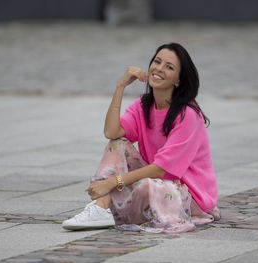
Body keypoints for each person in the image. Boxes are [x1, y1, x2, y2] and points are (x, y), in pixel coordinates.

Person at [62, 43, 220, 233]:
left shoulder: (188, 115)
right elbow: (112, 133)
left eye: (169, 67)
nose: (159, 68)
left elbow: (161, 169)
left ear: (178, 80)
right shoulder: (143, 106)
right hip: (158, 182)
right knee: (117, 144)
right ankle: (101, 207)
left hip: (188, 196)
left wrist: (113, 182)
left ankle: (103, 206)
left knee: (146, 185)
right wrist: (120, 86)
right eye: (157, 61)